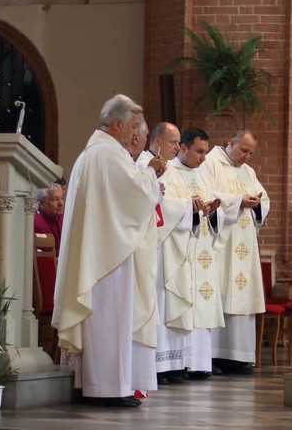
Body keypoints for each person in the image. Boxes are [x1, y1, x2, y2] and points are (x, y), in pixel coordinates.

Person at [52, 94, 166, 408]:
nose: (135, 134)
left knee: (104, 321)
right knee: (109, 320)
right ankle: (108, 388)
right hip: (108, 261)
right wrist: (148, 170)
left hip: (101, 254)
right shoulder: (108, 155)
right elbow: (138, 194)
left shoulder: (96, 152)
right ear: (116, 124)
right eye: (132, 127)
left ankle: (95, 383)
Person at [160, 127, 229, 378]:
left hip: (201, 249)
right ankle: (179, 363)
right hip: (180, 249)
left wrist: (211, 211)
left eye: (206, 152)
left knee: (202, 303)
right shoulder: (169, 172)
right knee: (183, 304)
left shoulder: (203, 175)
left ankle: (199, 363)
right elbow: (167, 207)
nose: (203, 158)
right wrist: (190, 209)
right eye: (199, 151)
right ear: (183, 148)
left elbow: (214, 212)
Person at [202, 129, 270, 374]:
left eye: (250, 153)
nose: (247, 157)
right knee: (219, 293)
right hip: (222, 243)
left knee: (241, 299)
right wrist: (239, 200)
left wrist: (256, 202)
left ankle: (239, 357)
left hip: (243, 242)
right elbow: (209, 196)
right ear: (231, 143)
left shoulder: (248, 172)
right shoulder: (210, 163)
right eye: (244, 150)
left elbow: (264, 199)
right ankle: (214, 356)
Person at [136, 122, 192, 385]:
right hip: (157, 246)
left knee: (168, 302)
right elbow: (152, 202)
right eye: (173, 142)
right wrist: (184, 207)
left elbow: (176, 200)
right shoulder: (145, 165)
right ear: (157, 141)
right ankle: (158, 364)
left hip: (173, 245)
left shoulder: (173, 170)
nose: (178, 147)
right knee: (156, 301)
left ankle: (172, 363)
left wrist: (191, 206)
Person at [34, 184, 65, 257]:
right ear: (41, 203)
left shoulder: (64, 218)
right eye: (55, 199)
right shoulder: (36, 223)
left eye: (62, 198)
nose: (61, 203)